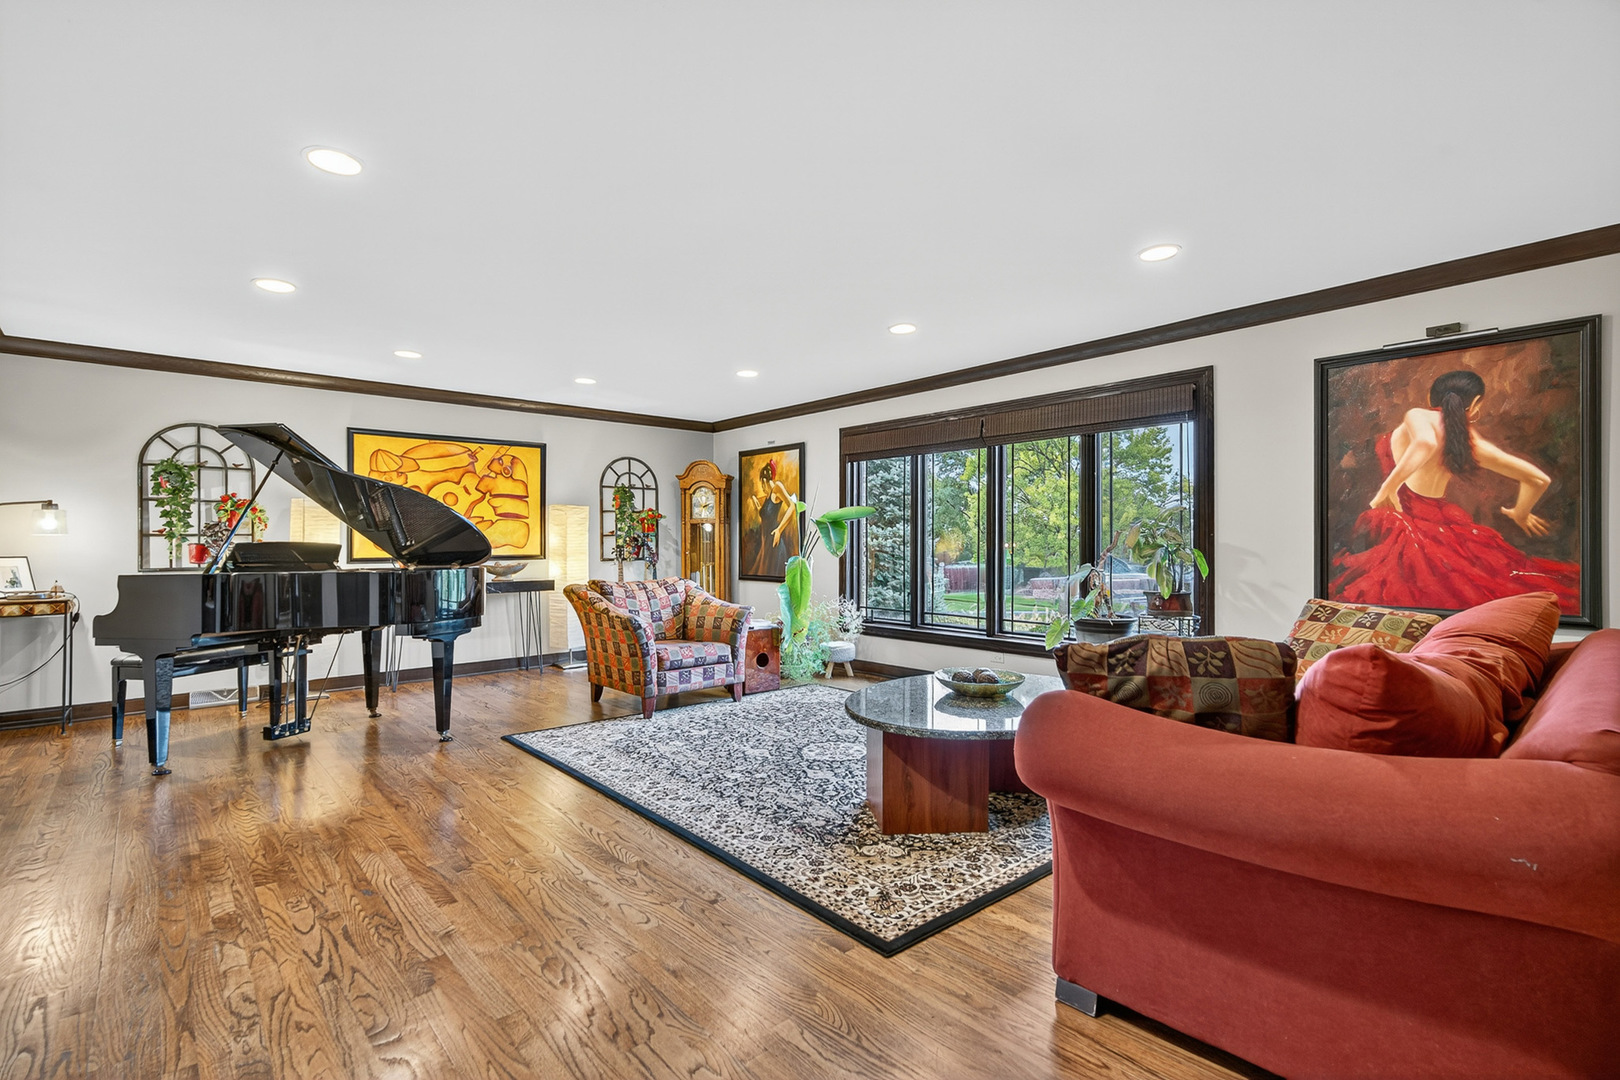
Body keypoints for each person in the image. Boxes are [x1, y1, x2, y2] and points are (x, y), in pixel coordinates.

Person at [1330, 369, 1578, 611]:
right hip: (1442, 529)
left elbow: (1426, 442)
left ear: (1430, 398)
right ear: (1476, 404)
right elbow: (1537, 479)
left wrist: (1388, 489)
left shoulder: (1419, 415)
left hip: (1410, 531)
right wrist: (1520, 513)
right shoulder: (1473, 442)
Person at [745, 459, 797, 577]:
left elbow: (792, 506)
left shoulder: (777, 488)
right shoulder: (769, 496)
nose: (762, 488)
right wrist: (757, 505)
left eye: (761, 484)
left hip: (774, 541)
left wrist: (779, 529)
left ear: (764, 480)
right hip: (766, 543)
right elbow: (766, 516)